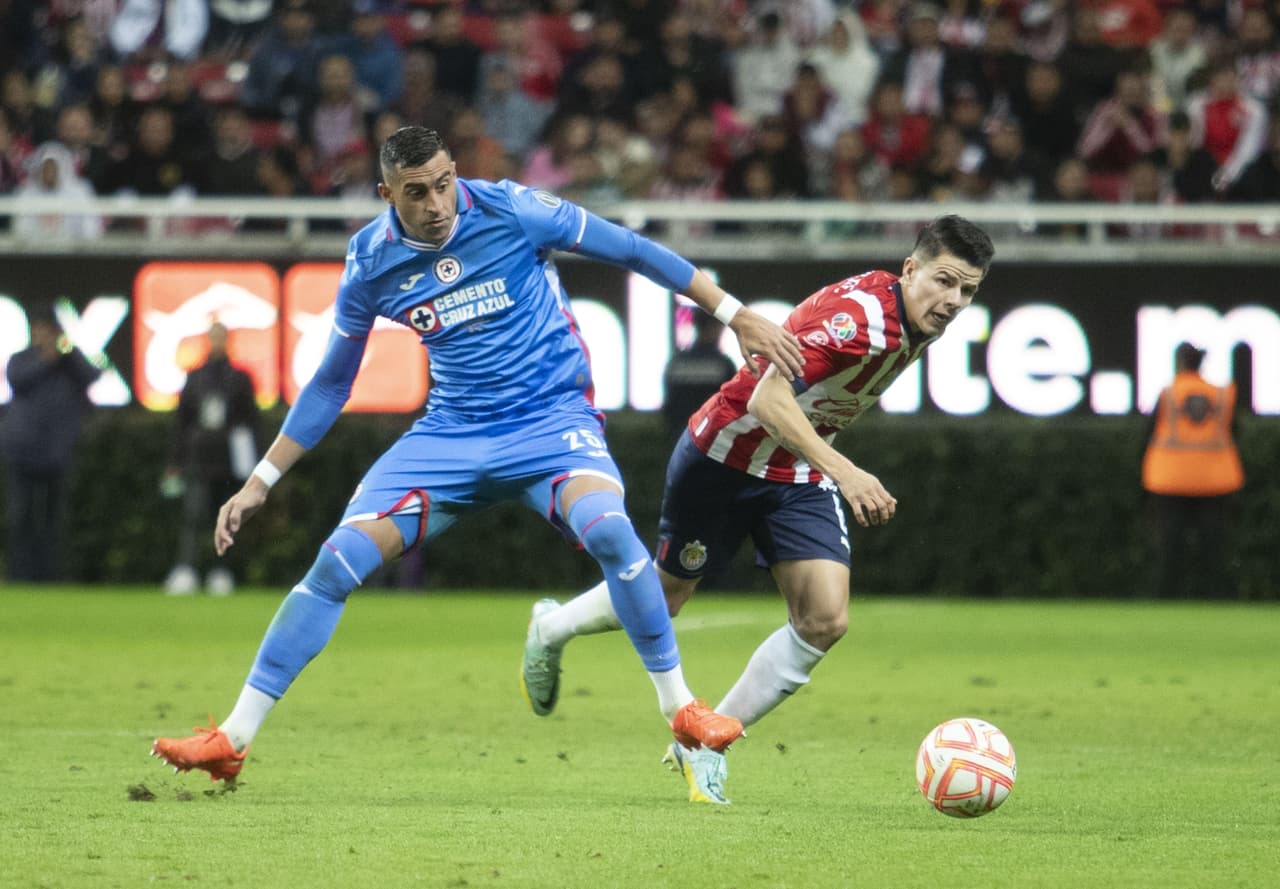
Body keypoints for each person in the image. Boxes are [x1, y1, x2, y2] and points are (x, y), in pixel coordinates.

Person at [150, 126, 805, 802]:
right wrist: (261, 479)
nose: (437, 202)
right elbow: (330, 384)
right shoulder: (370, 259)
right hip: (451, 438)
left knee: (612, 532)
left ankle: (681, 711)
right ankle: (233, 737)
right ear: (386, 195)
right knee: (335, 562)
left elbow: (631, 248)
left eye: (442, 183)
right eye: (416, 193)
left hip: (551, 423)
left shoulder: (511, 208)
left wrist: (733, 312)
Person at [520, 215, 995, 804]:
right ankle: (552, 627)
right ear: (910, 269)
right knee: (665, 598)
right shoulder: (859, 321)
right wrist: (846, 472)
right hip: (722, 456)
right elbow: (770, 399)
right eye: (944, 281)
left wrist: (824, 464)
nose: (952, 301)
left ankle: (705, 745)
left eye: (967, 290)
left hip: (793, 470)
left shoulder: (913, 321)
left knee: (825, 620)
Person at [2, 304, 101, 582]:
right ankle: (20, 575)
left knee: (54, 520)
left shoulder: (70, 364)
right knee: (22, 516)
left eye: (50, 331)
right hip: (22, 450)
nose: (45, 336)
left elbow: (93, 375)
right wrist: (46, 360)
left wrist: (69, 353)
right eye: (41, 330)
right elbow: (17, 380)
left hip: (57, 453)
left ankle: (51, 576)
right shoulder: (21, 359)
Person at [161, 322, 261, 597]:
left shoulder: (240, 378)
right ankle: (187, 569)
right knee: (192, 515)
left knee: (227, 518)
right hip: (198, 457)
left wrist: (254, 462)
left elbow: (251, 422)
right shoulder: (195, 378)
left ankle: (221, 571)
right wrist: (175, 461)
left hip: (228, 460)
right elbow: (182, 423)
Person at [1140, 342, 1245, 599]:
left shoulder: (1168, 394)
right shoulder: (1221, 394)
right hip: (1216, 479)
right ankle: (1215, 596)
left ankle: (1166, 595)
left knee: (1170, 544)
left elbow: (1147, 435)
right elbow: (1235, 432)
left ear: (1180, 363)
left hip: (1169, 478)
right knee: (1214, 546)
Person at [662, 308, 737, 441]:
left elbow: (669, 409)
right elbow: (733, 407)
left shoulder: (676, 363)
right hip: (713, 443)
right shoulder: (724, 365)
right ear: (714, 327)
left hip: (681, 440)